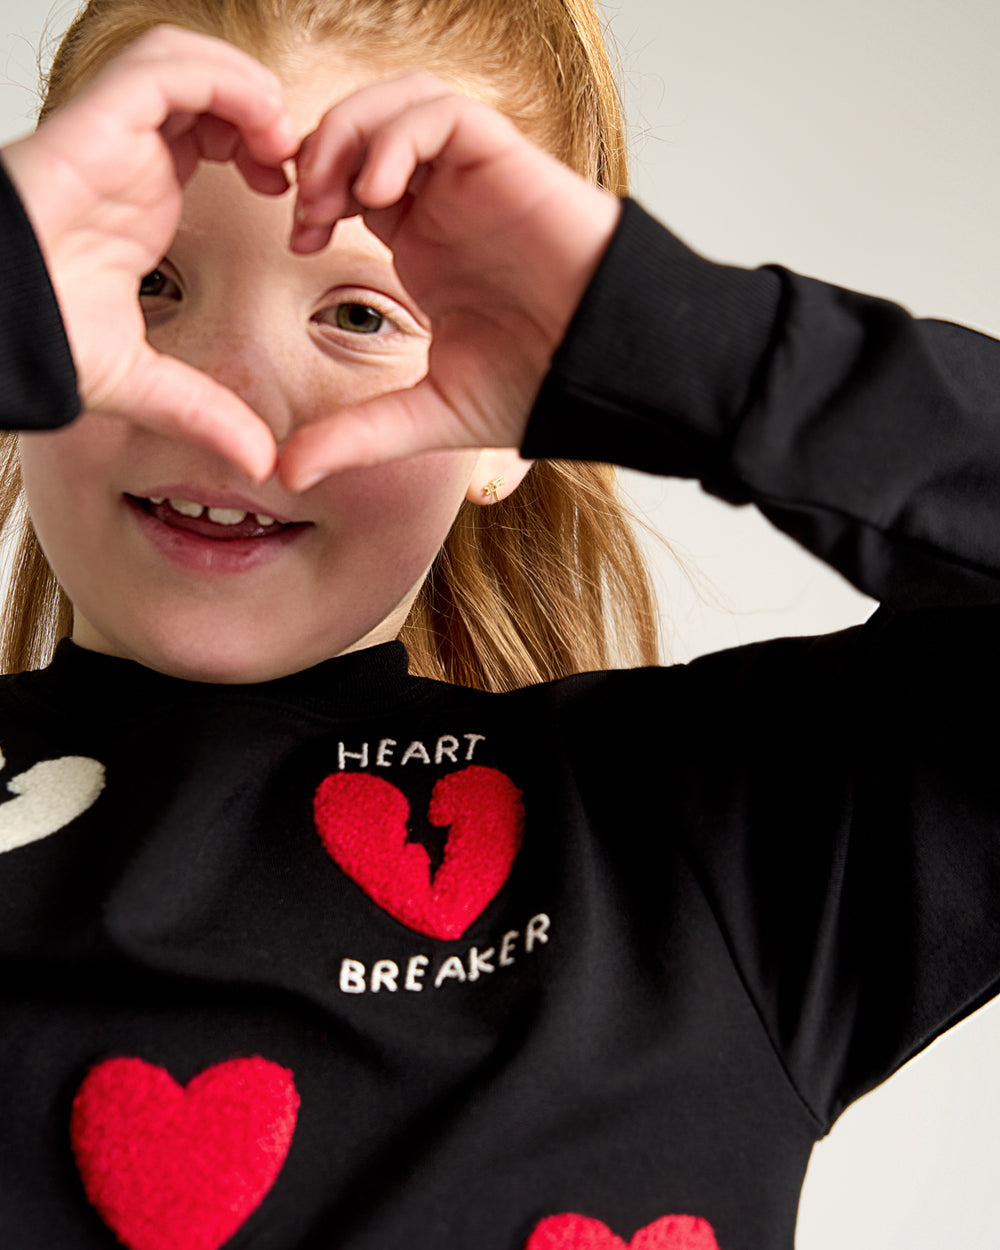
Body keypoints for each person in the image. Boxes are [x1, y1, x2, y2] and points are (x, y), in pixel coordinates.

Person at [0, 2, 997, 1249]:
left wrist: (679, 341)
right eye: (146, 283)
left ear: (512, 426)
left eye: (360, 314)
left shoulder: (695, 846)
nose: (226, 400)